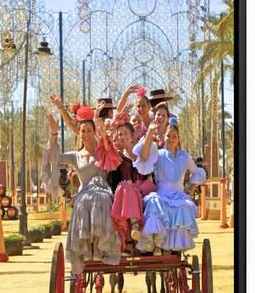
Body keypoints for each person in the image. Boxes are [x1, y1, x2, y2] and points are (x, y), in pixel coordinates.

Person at [43, 113, 121, 274]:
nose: (86, 135)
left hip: (102, 190)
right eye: (82, 131)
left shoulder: (103, 152)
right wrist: (53, 134)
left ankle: (100, 247)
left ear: (94, 132)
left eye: (89, 131)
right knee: (83, 200)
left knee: (102, 199)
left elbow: (109, 149)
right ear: (79, 134)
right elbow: (54, 158)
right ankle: (86, 249)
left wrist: (103, 132)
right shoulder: (75, 156)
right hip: (84, 192)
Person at [133, 121, 206, 255]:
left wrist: (191, 187)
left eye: (174, 136)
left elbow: (197, 172)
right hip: (161, 194)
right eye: (168, 136)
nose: (171, 139)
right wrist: (150, 132)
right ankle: (156, 244)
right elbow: (143, 157)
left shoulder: (184, 156)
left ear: (178, 139)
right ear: (163, 137)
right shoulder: (158, 154)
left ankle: (171, 246)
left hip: (178, 195)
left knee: (184, 206)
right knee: (154, 202)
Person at [109, 122, 157, 250]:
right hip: (124, 196)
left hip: (142, 192)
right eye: (120, 134)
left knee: (131, 188)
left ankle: (135, 228)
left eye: (125, 133)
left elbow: (150, 177)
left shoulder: (141, 154)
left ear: (132, 135)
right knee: (125, 187)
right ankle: (132, 228)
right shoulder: (117, 158)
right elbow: (113, 182)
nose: (123, 137)